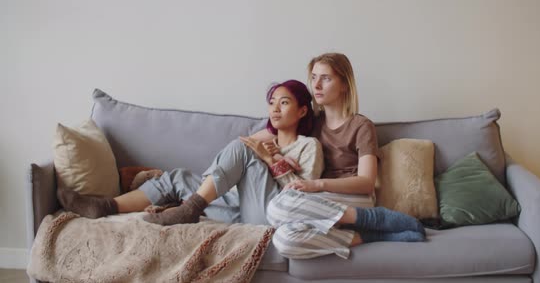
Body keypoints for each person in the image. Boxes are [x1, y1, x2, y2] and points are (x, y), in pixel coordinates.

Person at [57, 80, 323, 226]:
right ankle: (104, 206)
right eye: (272, 102)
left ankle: (190, 208)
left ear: (302, 111)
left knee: (242, 148)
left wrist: (271, 160)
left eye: (284, 102)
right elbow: (232, 165)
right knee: (178, 177)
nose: (275, 109)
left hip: (270, 215)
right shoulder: (264, 139)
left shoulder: (308, 146)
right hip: (238, 208)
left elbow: (300, 195)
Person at [261, 53, 426, 259]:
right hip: (320, 202)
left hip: (356, 199)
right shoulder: (312, 122)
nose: (317, 85)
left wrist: (318, 185)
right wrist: (278, 157)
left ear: (345, 85)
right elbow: (263, 135)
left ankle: (374, 218)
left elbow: (366, 182)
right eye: (313, 77)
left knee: (277, 208)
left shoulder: (361, 126)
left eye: (326, 78)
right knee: (284, 240)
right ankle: (369, 235)